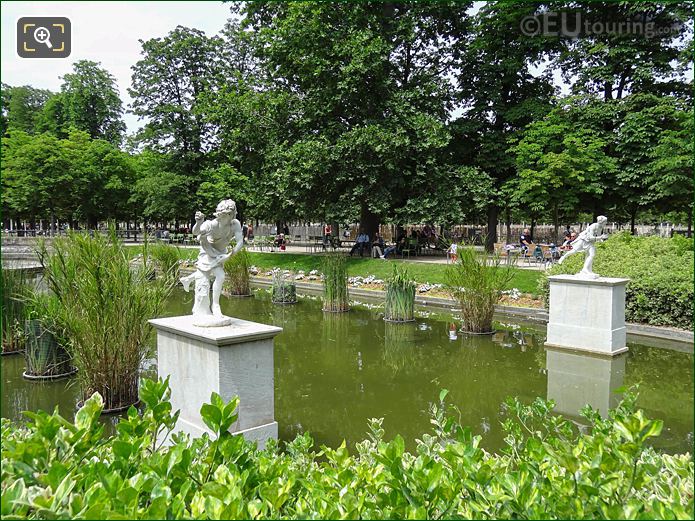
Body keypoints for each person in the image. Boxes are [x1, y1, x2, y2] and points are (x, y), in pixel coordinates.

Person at [180, 199, 243, 318]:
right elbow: (196, 232)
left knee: (207, 273)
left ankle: (187, 280)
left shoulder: (235, 224)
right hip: (207, 252)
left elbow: (240, 242)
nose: (227, 217)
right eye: (224, 214)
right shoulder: (211, 224)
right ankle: (216, 305)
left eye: (229, 214)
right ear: (220, 214)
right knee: (220, 276)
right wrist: (199, 222)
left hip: (221, 253)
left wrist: (229, 256)